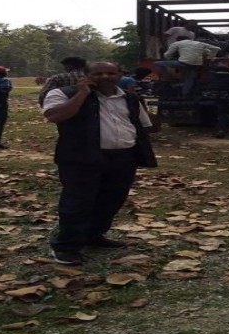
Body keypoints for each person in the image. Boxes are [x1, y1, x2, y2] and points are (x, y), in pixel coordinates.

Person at [42, 62, 157, 265]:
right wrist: (82, 93)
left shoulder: (130, 98)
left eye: (111, 73)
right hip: (81, 157)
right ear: (86, 75)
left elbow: (142, 125)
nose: (105, 77)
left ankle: (93, 235)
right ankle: (66, 246)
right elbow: (54, 116)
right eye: (98, 73)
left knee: (112, 199)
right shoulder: (63, 93)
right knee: (78, 202)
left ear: (120, 75)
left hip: (123, 157)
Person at [155, 36, 221, 96]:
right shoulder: (199, 44)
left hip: (184, 63)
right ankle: (185, 94)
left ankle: (168, 77)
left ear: (178, 40)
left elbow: (167, 55)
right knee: (189, 78)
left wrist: (168, 59)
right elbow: (216, 49)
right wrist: (210, 58)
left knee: (157, 63)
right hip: (197, 65)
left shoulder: (177, 43)